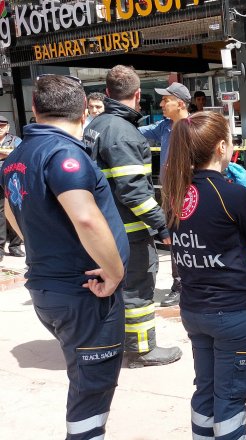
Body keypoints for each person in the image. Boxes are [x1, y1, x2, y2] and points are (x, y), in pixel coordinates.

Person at [3, 73, 128, 440]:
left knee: (84, 377)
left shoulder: (17, 156)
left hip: (49, 288)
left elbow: (13, 211)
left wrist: (41, 241)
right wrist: (115, 271)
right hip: (84, 290)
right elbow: (86, 218)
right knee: (92, 389)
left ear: (35, 110)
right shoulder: (64, 154)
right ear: (83, 111)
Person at [162, 111, 246, 440]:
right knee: (231, 399)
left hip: (195, 311)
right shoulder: (233, 193)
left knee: (205, 391)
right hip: (235, 311)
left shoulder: (174, 193)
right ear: (221, 147)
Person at [83, 65, 182, 368]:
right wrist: (163, 225)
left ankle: (115, 342)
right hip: (128, 232)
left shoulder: (95, 125)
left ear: (108, 93)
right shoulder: (124, 134)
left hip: (102, 229)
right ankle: (141, 350)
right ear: (138, 94)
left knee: (114, 289)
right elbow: (135, 193)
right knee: (138, 288)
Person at [138, 82, 193, 307]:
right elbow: (136, 133)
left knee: (195, 238)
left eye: (165, 99)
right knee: (175, 238)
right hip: (170, 194)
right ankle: (179, 284)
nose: (160, 103)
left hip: (192, 193)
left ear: (179, 103)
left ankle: (195, 281)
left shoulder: (196, 126)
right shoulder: (164, 127)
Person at [0, 114, 24, 260]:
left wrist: (6, 153)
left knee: (15, 211)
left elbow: (18, 154)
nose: (0, 128)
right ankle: (0, 248)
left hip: (12, 181)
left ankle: (15, 246)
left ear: (8, 127)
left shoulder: (16, 140)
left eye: (2, 126)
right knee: (0, 215)